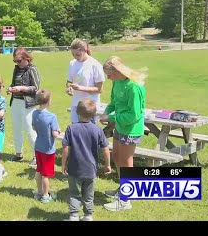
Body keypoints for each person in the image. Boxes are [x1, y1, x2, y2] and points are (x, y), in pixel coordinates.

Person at [99, 56, 147, 212]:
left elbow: (134, 115)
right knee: (116, 158)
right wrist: (106, 112)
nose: (108, 78)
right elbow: (113, 102)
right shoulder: (116, 83)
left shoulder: (134, 87)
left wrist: (111, 117)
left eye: (109, 74)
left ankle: (126, 201)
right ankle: (123, 189)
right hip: (120, 126)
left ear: (117, 71)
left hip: (131, 129)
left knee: (126, 163)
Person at [61, 98, 111, 221]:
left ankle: (73, 215)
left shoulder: (71, 128)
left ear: (77, 112)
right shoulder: (98, 130)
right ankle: (88, 215)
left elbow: (66, 148)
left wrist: (63, 164)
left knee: (74, 193)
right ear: (94, 114)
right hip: (91, 169)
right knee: (89, 195)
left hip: (74, 168)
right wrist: (108, 164)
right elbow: (105, 149)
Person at [7, 47, 41, 167]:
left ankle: (37, 157)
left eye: (19, 61)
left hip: (28, 104)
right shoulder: (16, 69)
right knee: (16, 129)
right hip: (15, 101)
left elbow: (36, 88)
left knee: (29, 130)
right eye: (15, 61)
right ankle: (18, 154)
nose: (17, 63)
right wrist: (10, 88)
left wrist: (22, 88)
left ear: (26, 58)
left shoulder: (33, 69)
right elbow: (13, 83)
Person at [31, 89, 62, 203]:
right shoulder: (52, 117)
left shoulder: (34, 113)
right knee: (46, 174)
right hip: (48, 150)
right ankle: (45, 195)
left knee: (39, 171)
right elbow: (54, 134)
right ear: (49, 102)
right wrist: (58, 132)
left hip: (38, 147)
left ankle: (39, 192)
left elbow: (34, 127)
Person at [66, 38, 105, 124]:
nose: (75, 57)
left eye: (78, 54)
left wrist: (81, 88)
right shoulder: (72, 63)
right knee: (75, 134)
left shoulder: (95, 65)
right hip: (76, 105)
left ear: (85, 50)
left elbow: (99, 89)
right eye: (73, 54)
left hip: (89, 107)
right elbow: (69, 81)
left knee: (89, 136)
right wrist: (69, 88)